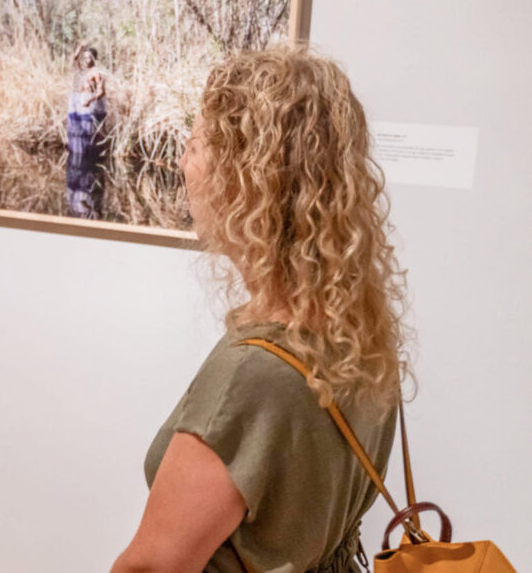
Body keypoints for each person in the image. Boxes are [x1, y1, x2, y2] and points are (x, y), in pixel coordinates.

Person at [111, 47, 409, 572]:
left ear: (247, 178)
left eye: (197, 144)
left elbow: (151, 568)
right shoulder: (358, 330)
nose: (182, 162)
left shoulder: (253, 373)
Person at [66, 43, 107, 217]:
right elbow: (72, 60)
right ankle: (77, 163)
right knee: (75, 133)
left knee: (87, 133)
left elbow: (101, 92)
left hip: (87, 105)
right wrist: (79, 48)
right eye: (85, 58)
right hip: (77, 104)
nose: (86, 60)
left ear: (94, 59)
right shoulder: (81, 71)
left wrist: (90, 101)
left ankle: (87, 164)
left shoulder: (97, 74)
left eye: (89, 57)